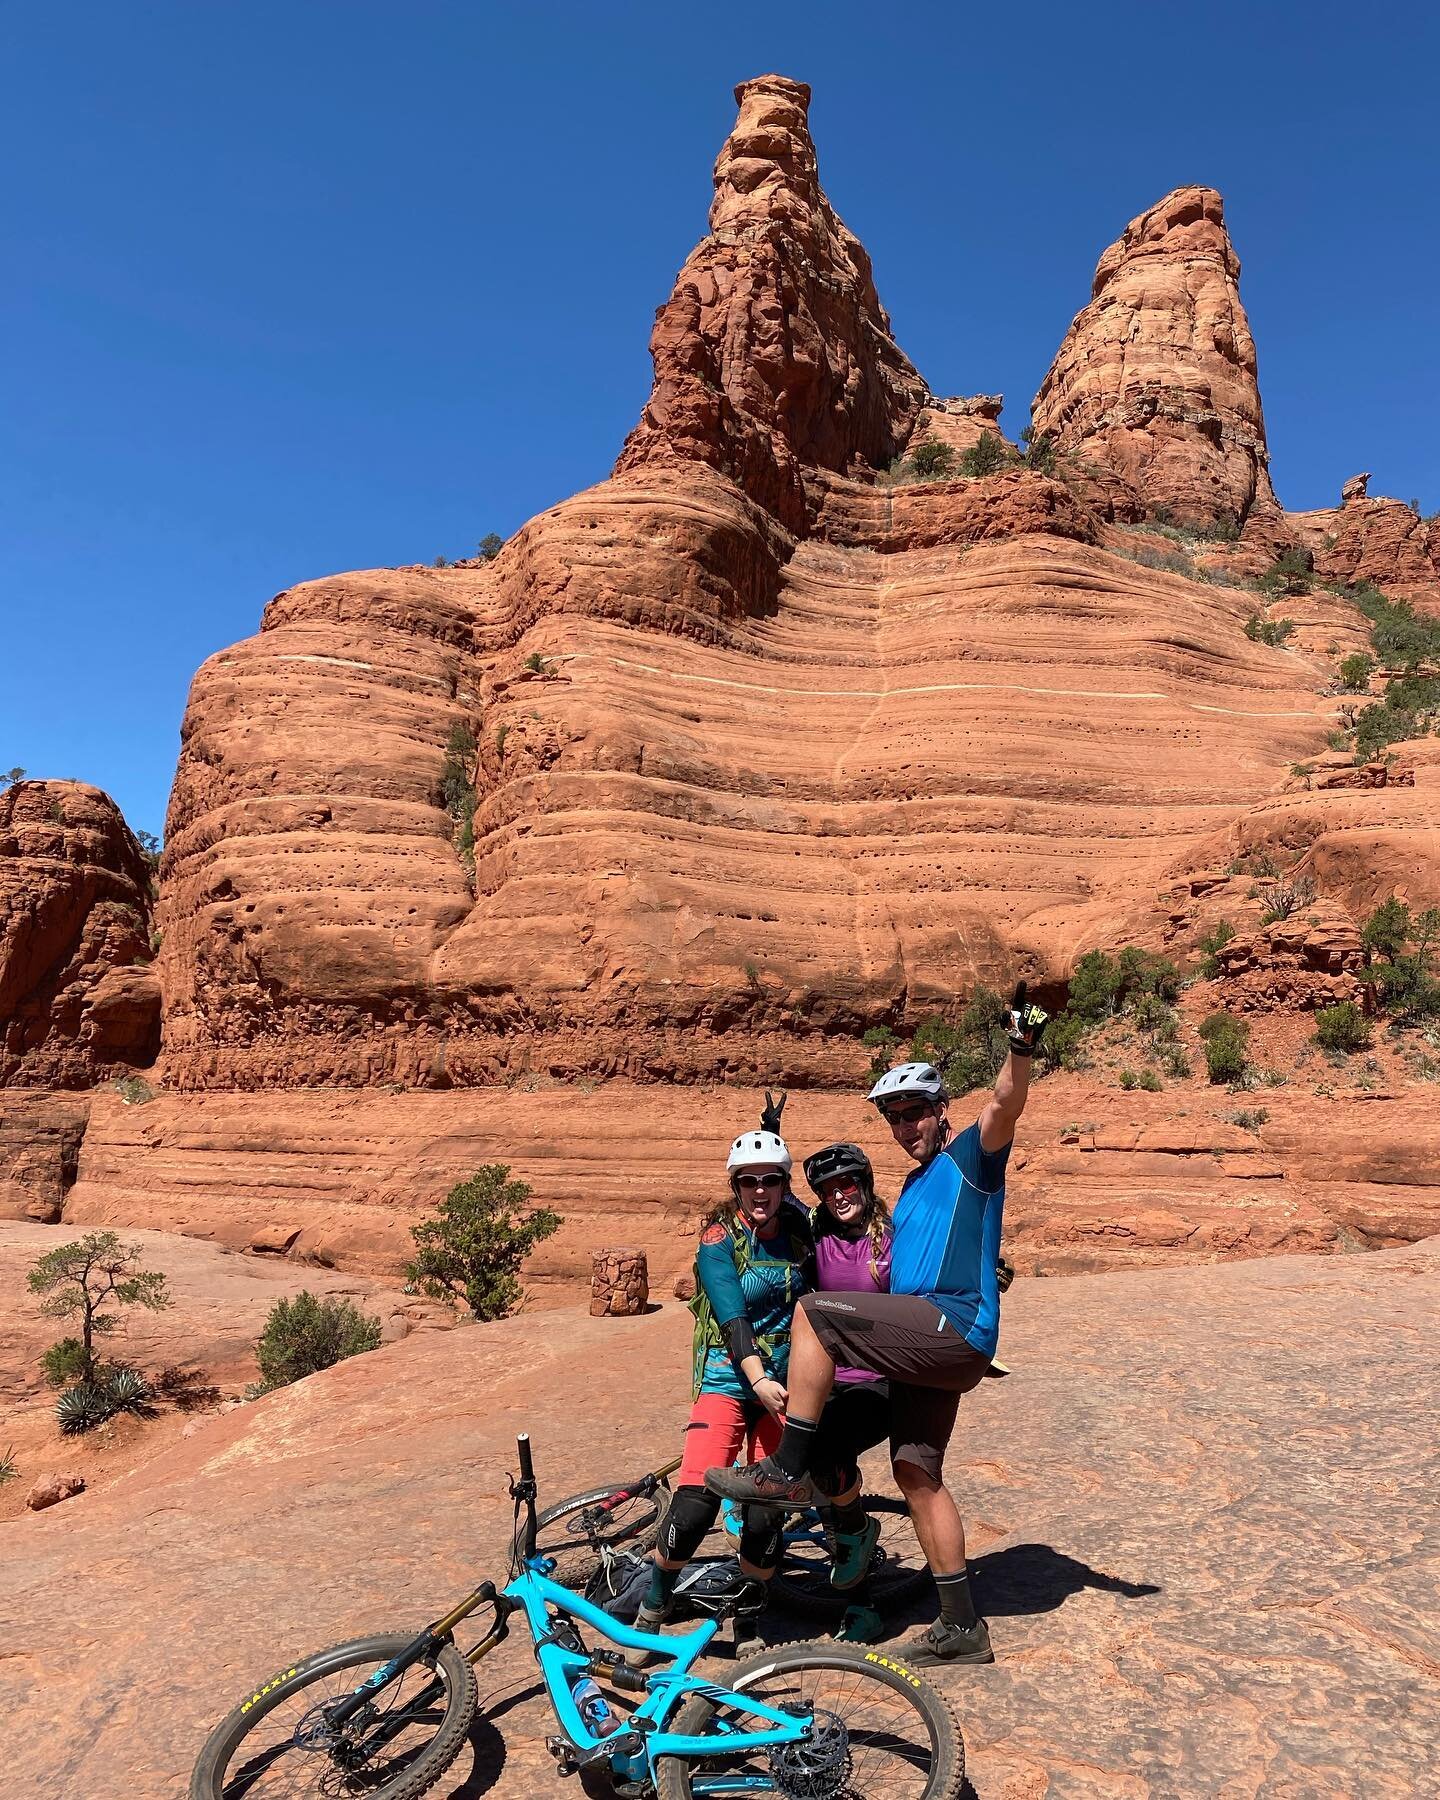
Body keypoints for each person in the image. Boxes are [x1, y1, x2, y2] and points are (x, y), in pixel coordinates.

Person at [706, 983, 1049, 1666]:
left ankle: (785, 1468)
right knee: (916, 1474)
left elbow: (1004, 1103)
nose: (906, 1125)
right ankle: (961, 1626)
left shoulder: (970, 1158)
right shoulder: (914, 1188)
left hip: (948, 1326)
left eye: (915, 1111)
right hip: (923, 1350)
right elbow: (800, 1210)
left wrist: (1021, 1045)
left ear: (939, 1110)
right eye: (894, 1116)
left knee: (816, 1314)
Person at [627, 1127, 812, 1664]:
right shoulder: (717, 1239)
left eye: (771, 1180)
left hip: (787, 1383)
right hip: (733, 1379)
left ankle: (749, 1612)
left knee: (762, 1511)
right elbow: (730, 1313)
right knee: (694, 1502)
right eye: (749, 1181)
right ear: (735, 1187)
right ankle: (653, 1612)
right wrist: (757, 1379)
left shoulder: (799, 1231)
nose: (760, 1191)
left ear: (784, 1185)